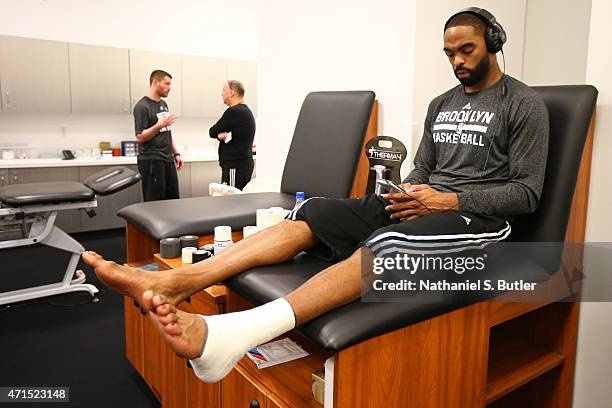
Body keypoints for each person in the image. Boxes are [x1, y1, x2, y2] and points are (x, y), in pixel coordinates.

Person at [83, 8, 548, 383]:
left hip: (479, 223)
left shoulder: (522, 103)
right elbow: (423, 168)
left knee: (386, 247)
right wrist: (407, 192)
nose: (458, 61)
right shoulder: (441, 103)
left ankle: (233, 335)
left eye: (466, 50)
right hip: (422, 206)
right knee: (312, 211)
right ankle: (177, 282)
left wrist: (448, 202)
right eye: (449, 53)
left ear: (493, 42)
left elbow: (525, 194)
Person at [134, 69, 183, 201]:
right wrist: (159, 125)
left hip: (167, 159)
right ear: (155, 83)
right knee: (155, 204)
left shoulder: (163, 104)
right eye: (167, 84)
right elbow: (140, 137)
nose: (170, 88)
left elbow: (166, 131)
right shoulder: (142, 106)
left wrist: (176, 153)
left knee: (172, 201)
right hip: (152, 161)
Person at [209, 80, 256, 190]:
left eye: (224, 90)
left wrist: (218, 135)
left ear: (232, 92)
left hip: (235, 166)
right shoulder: (244, 110)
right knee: (237, 201)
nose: (222, 94)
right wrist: (220, 135)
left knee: (231, 201)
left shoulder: (234, 112)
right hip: (242, 164)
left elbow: (213, 131)